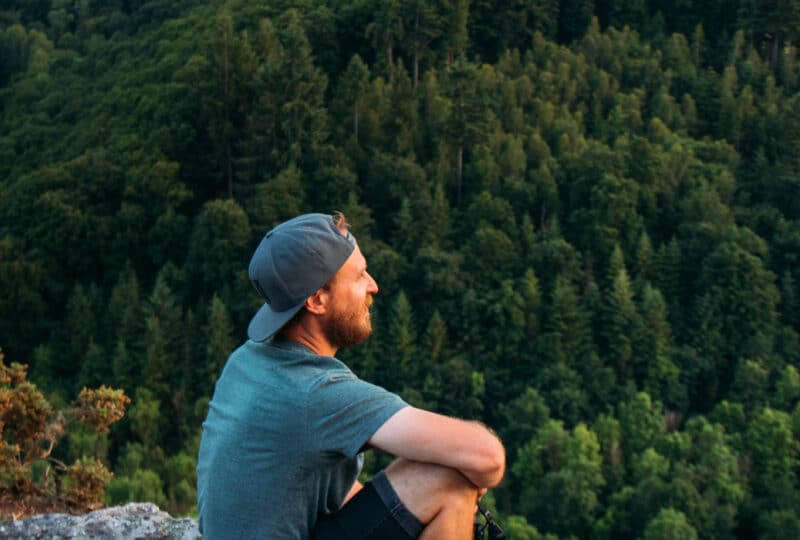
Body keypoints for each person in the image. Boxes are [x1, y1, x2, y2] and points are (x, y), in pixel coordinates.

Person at [197, 212, 505, 540]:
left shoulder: (245, 363)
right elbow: (488, 458)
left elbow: (328, 494)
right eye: (359, 277)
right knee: (450, 480)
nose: (374, 286)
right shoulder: (316, 392)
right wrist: (459, 472)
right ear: (317, 299)